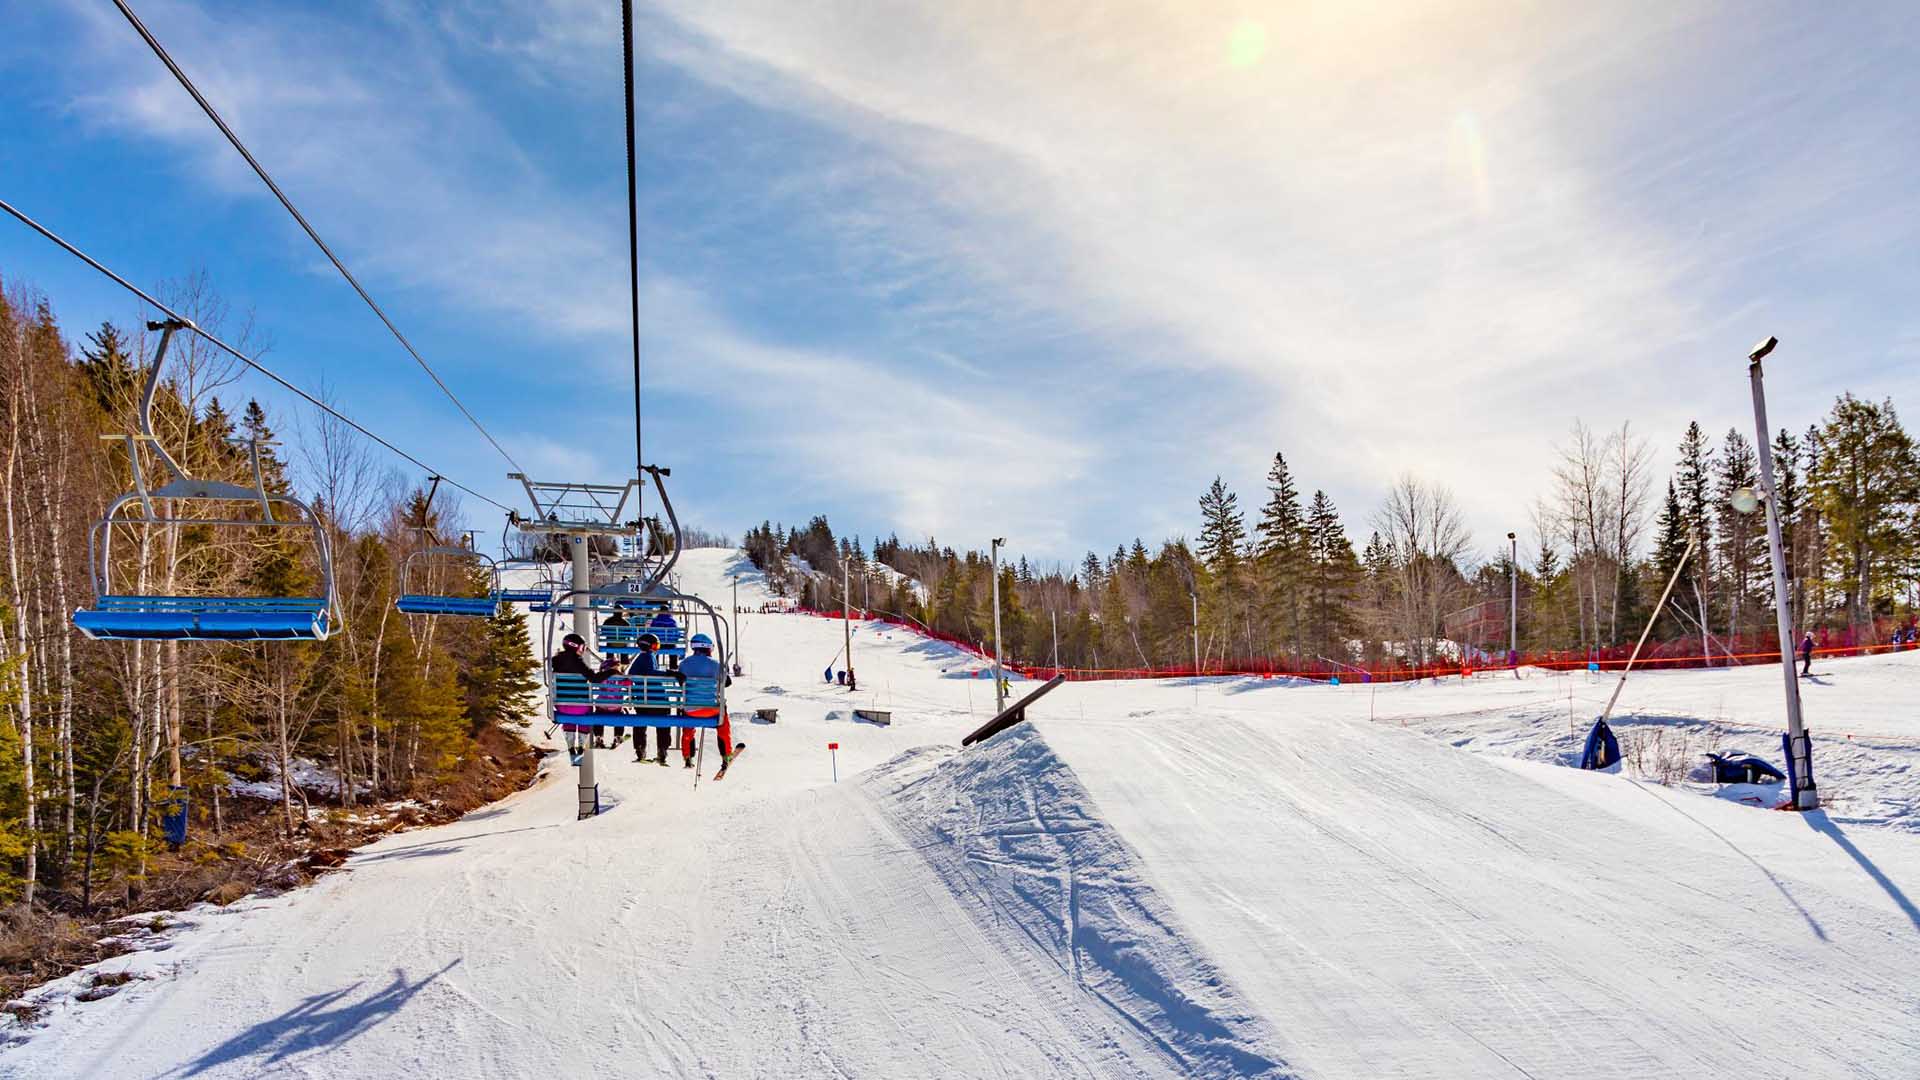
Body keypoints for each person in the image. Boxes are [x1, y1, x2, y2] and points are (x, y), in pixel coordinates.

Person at [679, 632, 737, 769]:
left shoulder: (684, 664)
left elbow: (681, 683)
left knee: (688, 728)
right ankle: (726, 755)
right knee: (723, 725)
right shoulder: (715, 664)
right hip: (712, 710)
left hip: (691, 710)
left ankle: (687, 756)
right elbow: (727, 683)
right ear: (707, 647)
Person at [550, 633, 611, 756]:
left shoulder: (556, 660)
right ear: (575, 646)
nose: (582, 651)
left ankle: (570, 744)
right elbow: (594, 678)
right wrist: (611, 671)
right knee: (585, 710)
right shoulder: (577, 661)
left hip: (561, 705)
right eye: (582, 647)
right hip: (581, 707)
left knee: (571, 712)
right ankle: (581, 744)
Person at [630, 632, 679, 764]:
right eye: (656, 645)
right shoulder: (648, 656)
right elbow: (651, 673)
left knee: (640, 722)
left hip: (641, 700)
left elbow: (632, 674)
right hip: (656, 700)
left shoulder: (641, 657)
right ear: (650, 645)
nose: (657, 648)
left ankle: (640, 748)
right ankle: (662, 749)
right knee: (664, 721)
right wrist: (669, 673)